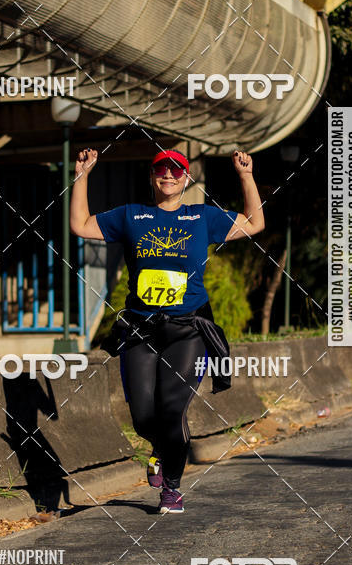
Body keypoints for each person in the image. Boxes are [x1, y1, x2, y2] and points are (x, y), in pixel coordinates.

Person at [70, 148, 265, 513]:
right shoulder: (130, 216)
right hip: (141, 330)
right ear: (152, 175)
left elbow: (254, 223)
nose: (170, 175)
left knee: (172, 410)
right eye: (162, 169)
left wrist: (245, 176)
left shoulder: (202, 216)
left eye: (177, 170)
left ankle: (172, 488)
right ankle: (160, 448)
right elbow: (80, 225)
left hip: (187, 330)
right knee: (144, 416)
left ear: (186, 178)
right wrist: (81, 175)